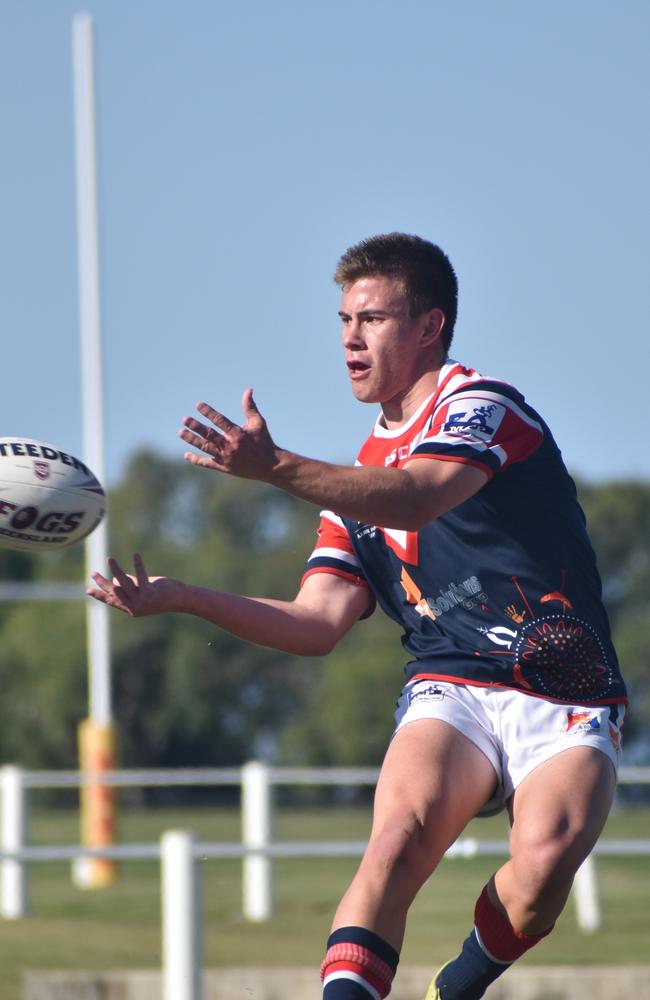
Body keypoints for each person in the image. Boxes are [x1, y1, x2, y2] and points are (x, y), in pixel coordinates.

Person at [88, 233, 626, 1000]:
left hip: (560, 678)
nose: (349, 337)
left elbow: (420, 492)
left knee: (544, 864)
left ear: (430, 326)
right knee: (395, 843)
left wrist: (274, 468)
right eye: (343, 319)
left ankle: (458, 986)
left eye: (371, 318)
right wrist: (180, 596)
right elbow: (318, 621)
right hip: (452, 682)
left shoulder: (482, 408)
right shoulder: (354, 488)